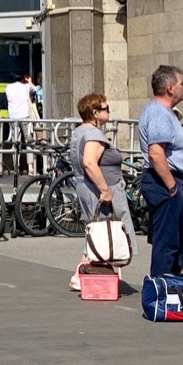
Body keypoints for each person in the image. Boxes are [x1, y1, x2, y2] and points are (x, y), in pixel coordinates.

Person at [137, 65, 183, 279]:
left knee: (179, 239)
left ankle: (171, 287)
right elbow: (156, 153)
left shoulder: (165, 113)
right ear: (169, 88)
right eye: (181, 84)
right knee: (167, 242)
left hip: (172, 181)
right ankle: (161, 290)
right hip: (164, 182)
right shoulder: (159, 114)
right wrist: (172, 185)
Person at [70, 92, 135, 288]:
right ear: (95, 113)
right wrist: (105, 190)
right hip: (98, 188)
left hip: (86, 186)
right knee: (104, 231)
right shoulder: (93, 133)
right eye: (106, 108)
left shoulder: (79, 131)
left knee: (99, 230)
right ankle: (81, 273)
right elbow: (89, 162)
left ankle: (98, 274)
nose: (110, 111)